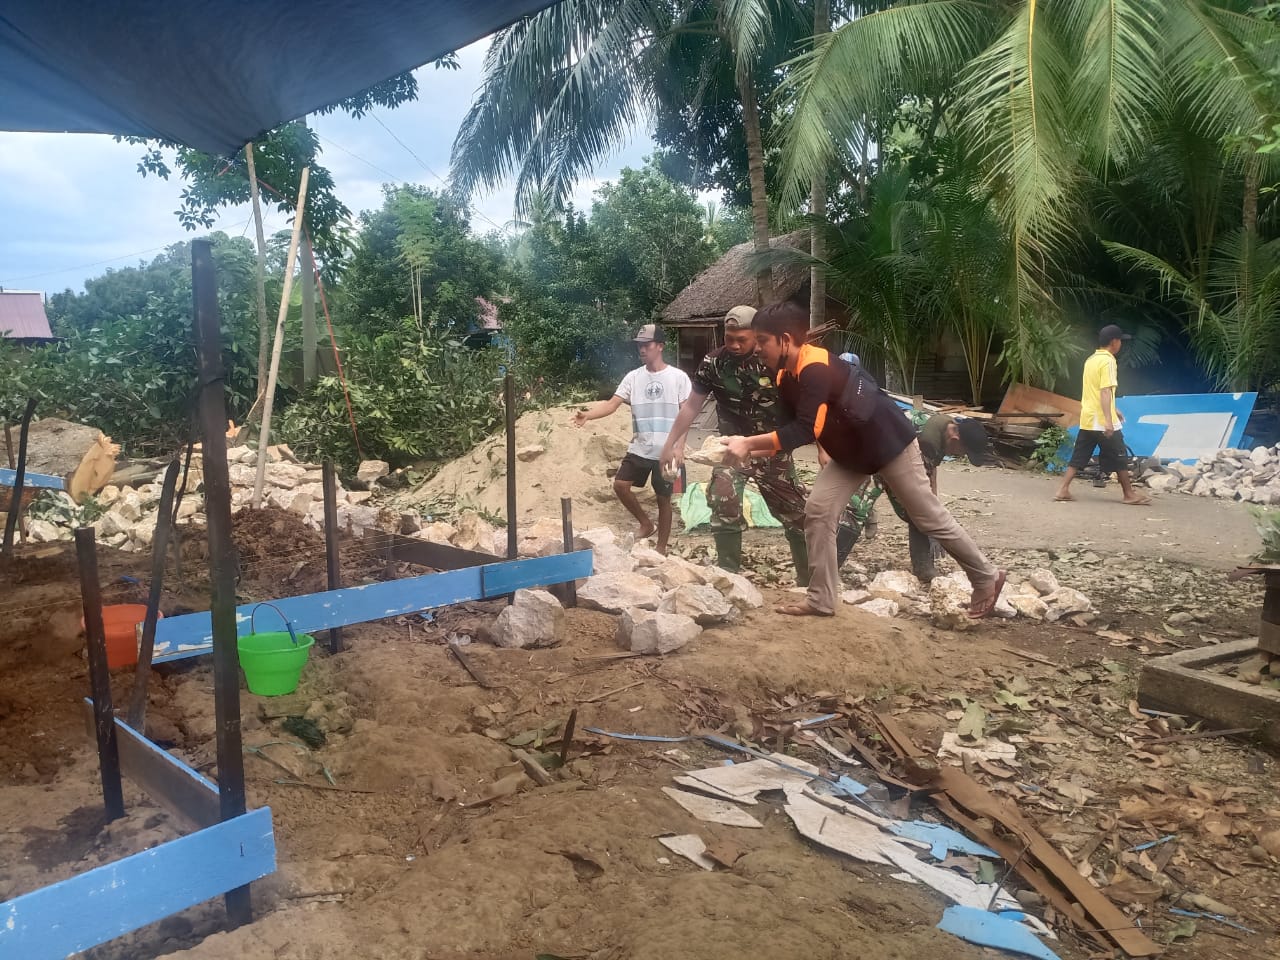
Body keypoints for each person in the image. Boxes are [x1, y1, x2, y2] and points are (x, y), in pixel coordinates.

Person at [723, 300, 1005, 618]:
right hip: (852, 454)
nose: (757, 349)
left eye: (763, 341)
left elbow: (804, 430)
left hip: (890, 444)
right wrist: (731, 450)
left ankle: (986, 577)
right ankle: (821, 598)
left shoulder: (815, 368)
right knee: (818, 512)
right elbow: (787, 433)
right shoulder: (783, 375)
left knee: (927, 517)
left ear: (786, 339)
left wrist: (747, 443)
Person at [659, 305, 858, 581]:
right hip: (730, 450)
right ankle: (728, 576)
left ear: (757, 335)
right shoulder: (713, 364)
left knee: (796, 514)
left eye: (743, 339)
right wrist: (672, 444)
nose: (735, 345)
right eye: (730, 339)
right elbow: (692, 407)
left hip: (772, 447)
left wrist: (824, 450)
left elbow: (810, 411)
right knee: (722, 498)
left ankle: (808, 579)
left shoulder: (776, 361)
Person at [572, 323, 691, 554]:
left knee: (664, 499)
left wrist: (680, 446)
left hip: (667, 450)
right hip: (640, 447)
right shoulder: (633, 377)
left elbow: (686, 413)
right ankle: (646, 524)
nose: (642, 350)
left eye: (647, 345)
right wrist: (588, 415)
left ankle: (661, 548)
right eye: (640, 346)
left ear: (660, 346)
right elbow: (612, 404)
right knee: (620, 485)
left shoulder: (679, 377)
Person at [1054, 324, 1151, 505]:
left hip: (1088, 417)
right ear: (1114, 342)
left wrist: (1113, 408)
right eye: (1120, 340)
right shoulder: (1108, 361)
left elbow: (1093, 390)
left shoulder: (1091, 360)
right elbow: (1105, 391)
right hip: (1101, 419)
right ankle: (1129, 494)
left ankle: (1063, 489)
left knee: (1080, 454)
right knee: (1119, 454)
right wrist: (1108, 419)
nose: (1121, 343)